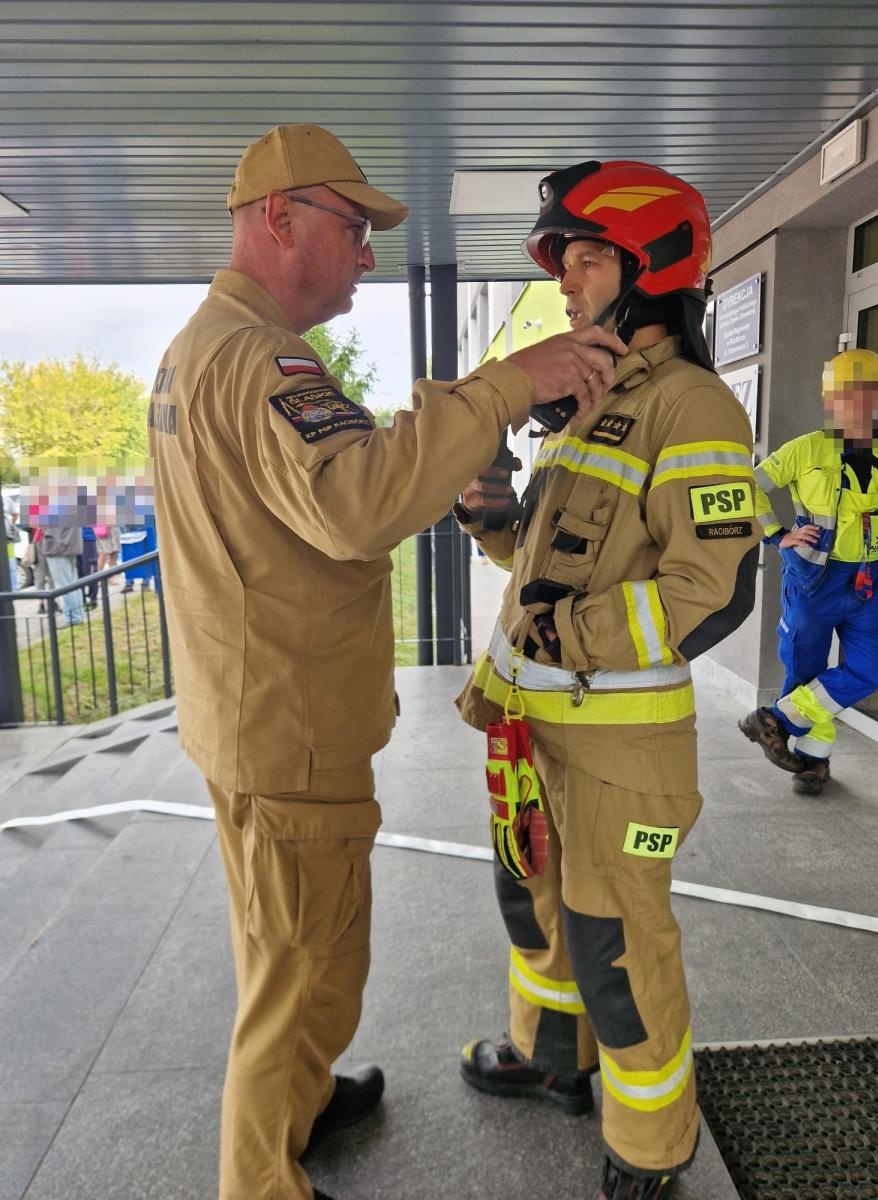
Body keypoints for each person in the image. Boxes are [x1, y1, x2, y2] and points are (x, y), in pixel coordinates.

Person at [147, 123, 625, 1200]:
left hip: (254, 716)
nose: (368, 254)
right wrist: (504, 386)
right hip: (288, 730)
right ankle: (261, 1179)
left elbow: (321, 500)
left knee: (299, 952)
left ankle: (306, 1104)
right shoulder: (259, 358)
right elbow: (359, 507)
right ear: (279, 218)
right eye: (353, 226)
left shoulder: (198, 351)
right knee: (298, 972)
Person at [453, 160, 760, 1199]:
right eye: (563, 260)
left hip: (621, 750)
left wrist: (567, 630)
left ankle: (652, 1147)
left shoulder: (694, 406)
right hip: (536, 729)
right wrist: (495, 515)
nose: (568, 280)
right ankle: (552, 1065)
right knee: (531, 900)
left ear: (652, 266)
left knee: (618, 948)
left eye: (587, 259)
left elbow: (708, 591)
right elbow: (552, 567)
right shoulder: (589, 403)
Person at [739, 349, 878, 795]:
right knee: (805, 669)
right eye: (848, 395)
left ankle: (775, 720)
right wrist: (775, 534)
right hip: (813, 581)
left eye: (871, 394)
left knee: (872, 666)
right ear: (832, 401)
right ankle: (813, 763)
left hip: (872, 582)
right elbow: (748, 485)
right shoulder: (807, 448)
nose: (861, 405)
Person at [41, 524, 84, 626]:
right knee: (73, 584)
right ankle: (77, 616)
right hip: (69, 544)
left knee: (64, 586)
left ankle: (74, 618)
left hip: (58, 546)